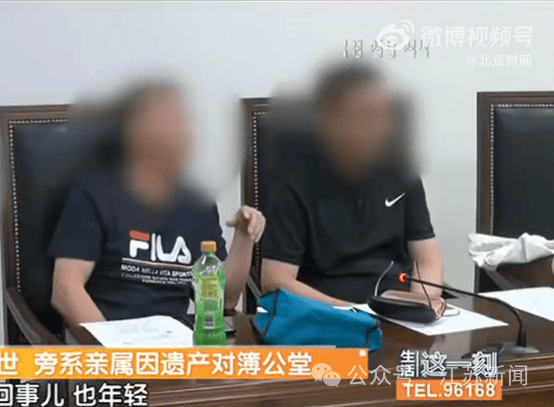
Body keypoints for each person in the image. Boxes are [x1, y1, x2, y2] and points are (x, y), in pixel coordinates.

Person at [49, 79, 265, 326]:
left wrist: (244, 237)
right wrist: (111, 345)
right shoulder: (94, 193)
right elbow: (65, 291)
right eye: (167, 122)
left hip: (175, 338)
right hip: (110, 335)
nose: (182, 132)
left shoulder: (198, 203)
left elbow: (223, 300)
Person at [261, 63, 444, 306]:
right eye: (365, 116)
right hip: (327, 313)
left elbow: (426, 258)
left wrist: (418, 304)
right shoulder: (291, 182)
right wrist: (355, 313)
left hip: (395, 309)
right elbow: (276, 280)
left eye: (383, 116)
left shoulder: (401, 172)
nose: (379, 128)